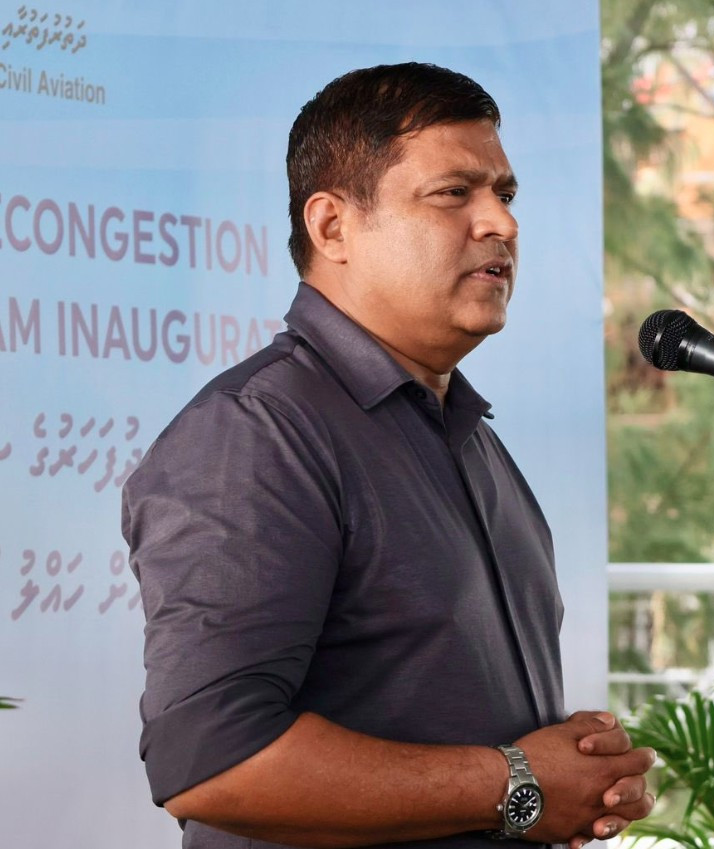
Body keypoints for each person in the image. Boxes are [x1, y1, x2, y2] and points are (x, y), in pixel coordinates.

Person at [122, 62, 655, 849]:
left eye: (505, 194)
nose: (501, 224)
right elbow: (212, 762)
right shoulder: (255, 434)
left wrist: (571, 771)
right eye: (454, 193)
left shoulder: (470, 435)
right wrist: (517, 782)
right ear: (332, 226)